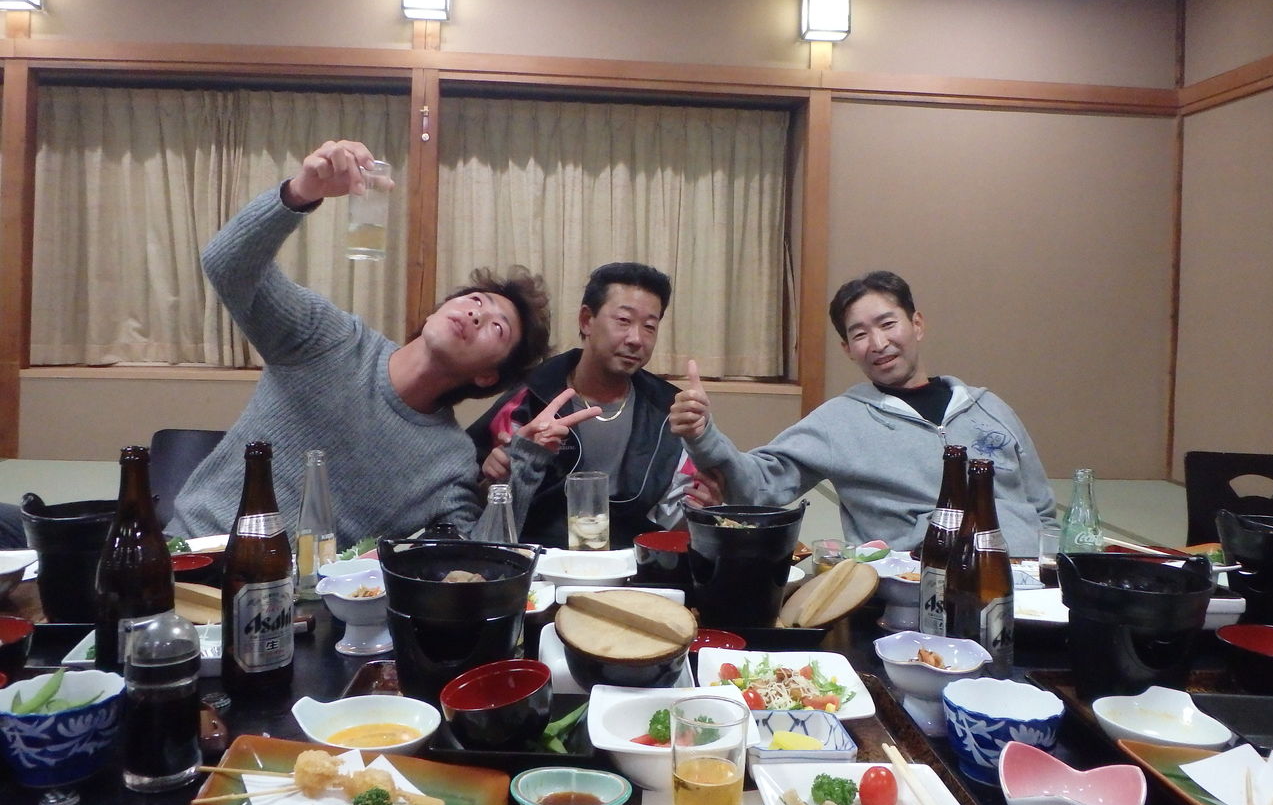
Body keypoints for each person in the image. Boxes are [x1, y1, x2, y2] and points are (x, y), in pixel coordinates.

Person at [169, 139, 595, 547]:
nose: (476, 314)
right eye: (475, 300)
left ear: (487, 376)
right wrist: (301, 192)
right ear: (437, 311)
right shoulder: (331, 340)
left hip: (295, 592)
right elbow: (226, 264)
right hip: (192, 556)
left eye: (496, 328)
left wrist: (526, 461)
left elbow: (474, 560)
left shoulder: (449, 461)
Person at [669, 270, 1057, 556]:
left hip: (1026, 586)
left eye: (888, 324)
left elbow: (1042, 510)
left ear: (917, 324)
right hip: (917, 587)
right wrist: (703, 434)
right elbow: (760, 485)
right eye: (859, 334)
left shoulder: (989, 408)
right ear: (848, 350)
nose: (878, 343)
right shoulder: (838, 422)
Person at [468, 262, 717, 548]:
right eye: (623, 320)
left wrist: (704, 510)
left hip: (633, 563)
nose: (636, 339)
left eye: (649, 327)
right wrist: (489, 479)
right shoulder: (531, 395)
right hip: (540, 560)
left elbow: (674, 523)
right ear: (586, 320)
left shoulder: (668, 411)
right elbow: (469, 494)